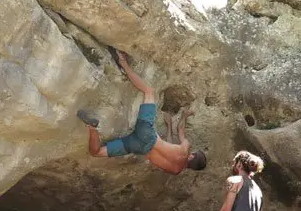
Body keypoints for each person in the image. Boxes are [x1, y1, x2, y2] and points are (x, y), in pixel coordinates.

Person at [76, 48, 206, 175]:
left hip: (147, 133)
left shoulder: (185, 149)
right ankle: (92, 128)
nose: (190, 152)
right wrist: (169, 126)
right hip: (137, 146)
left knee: (149, 92)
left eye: (192, 153)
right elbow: (169, 144)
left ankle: (123, 63)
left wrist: (184, 116)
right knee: (96, 152)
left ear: (191, 157)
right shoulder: (175, 171)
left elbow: (181, 130)